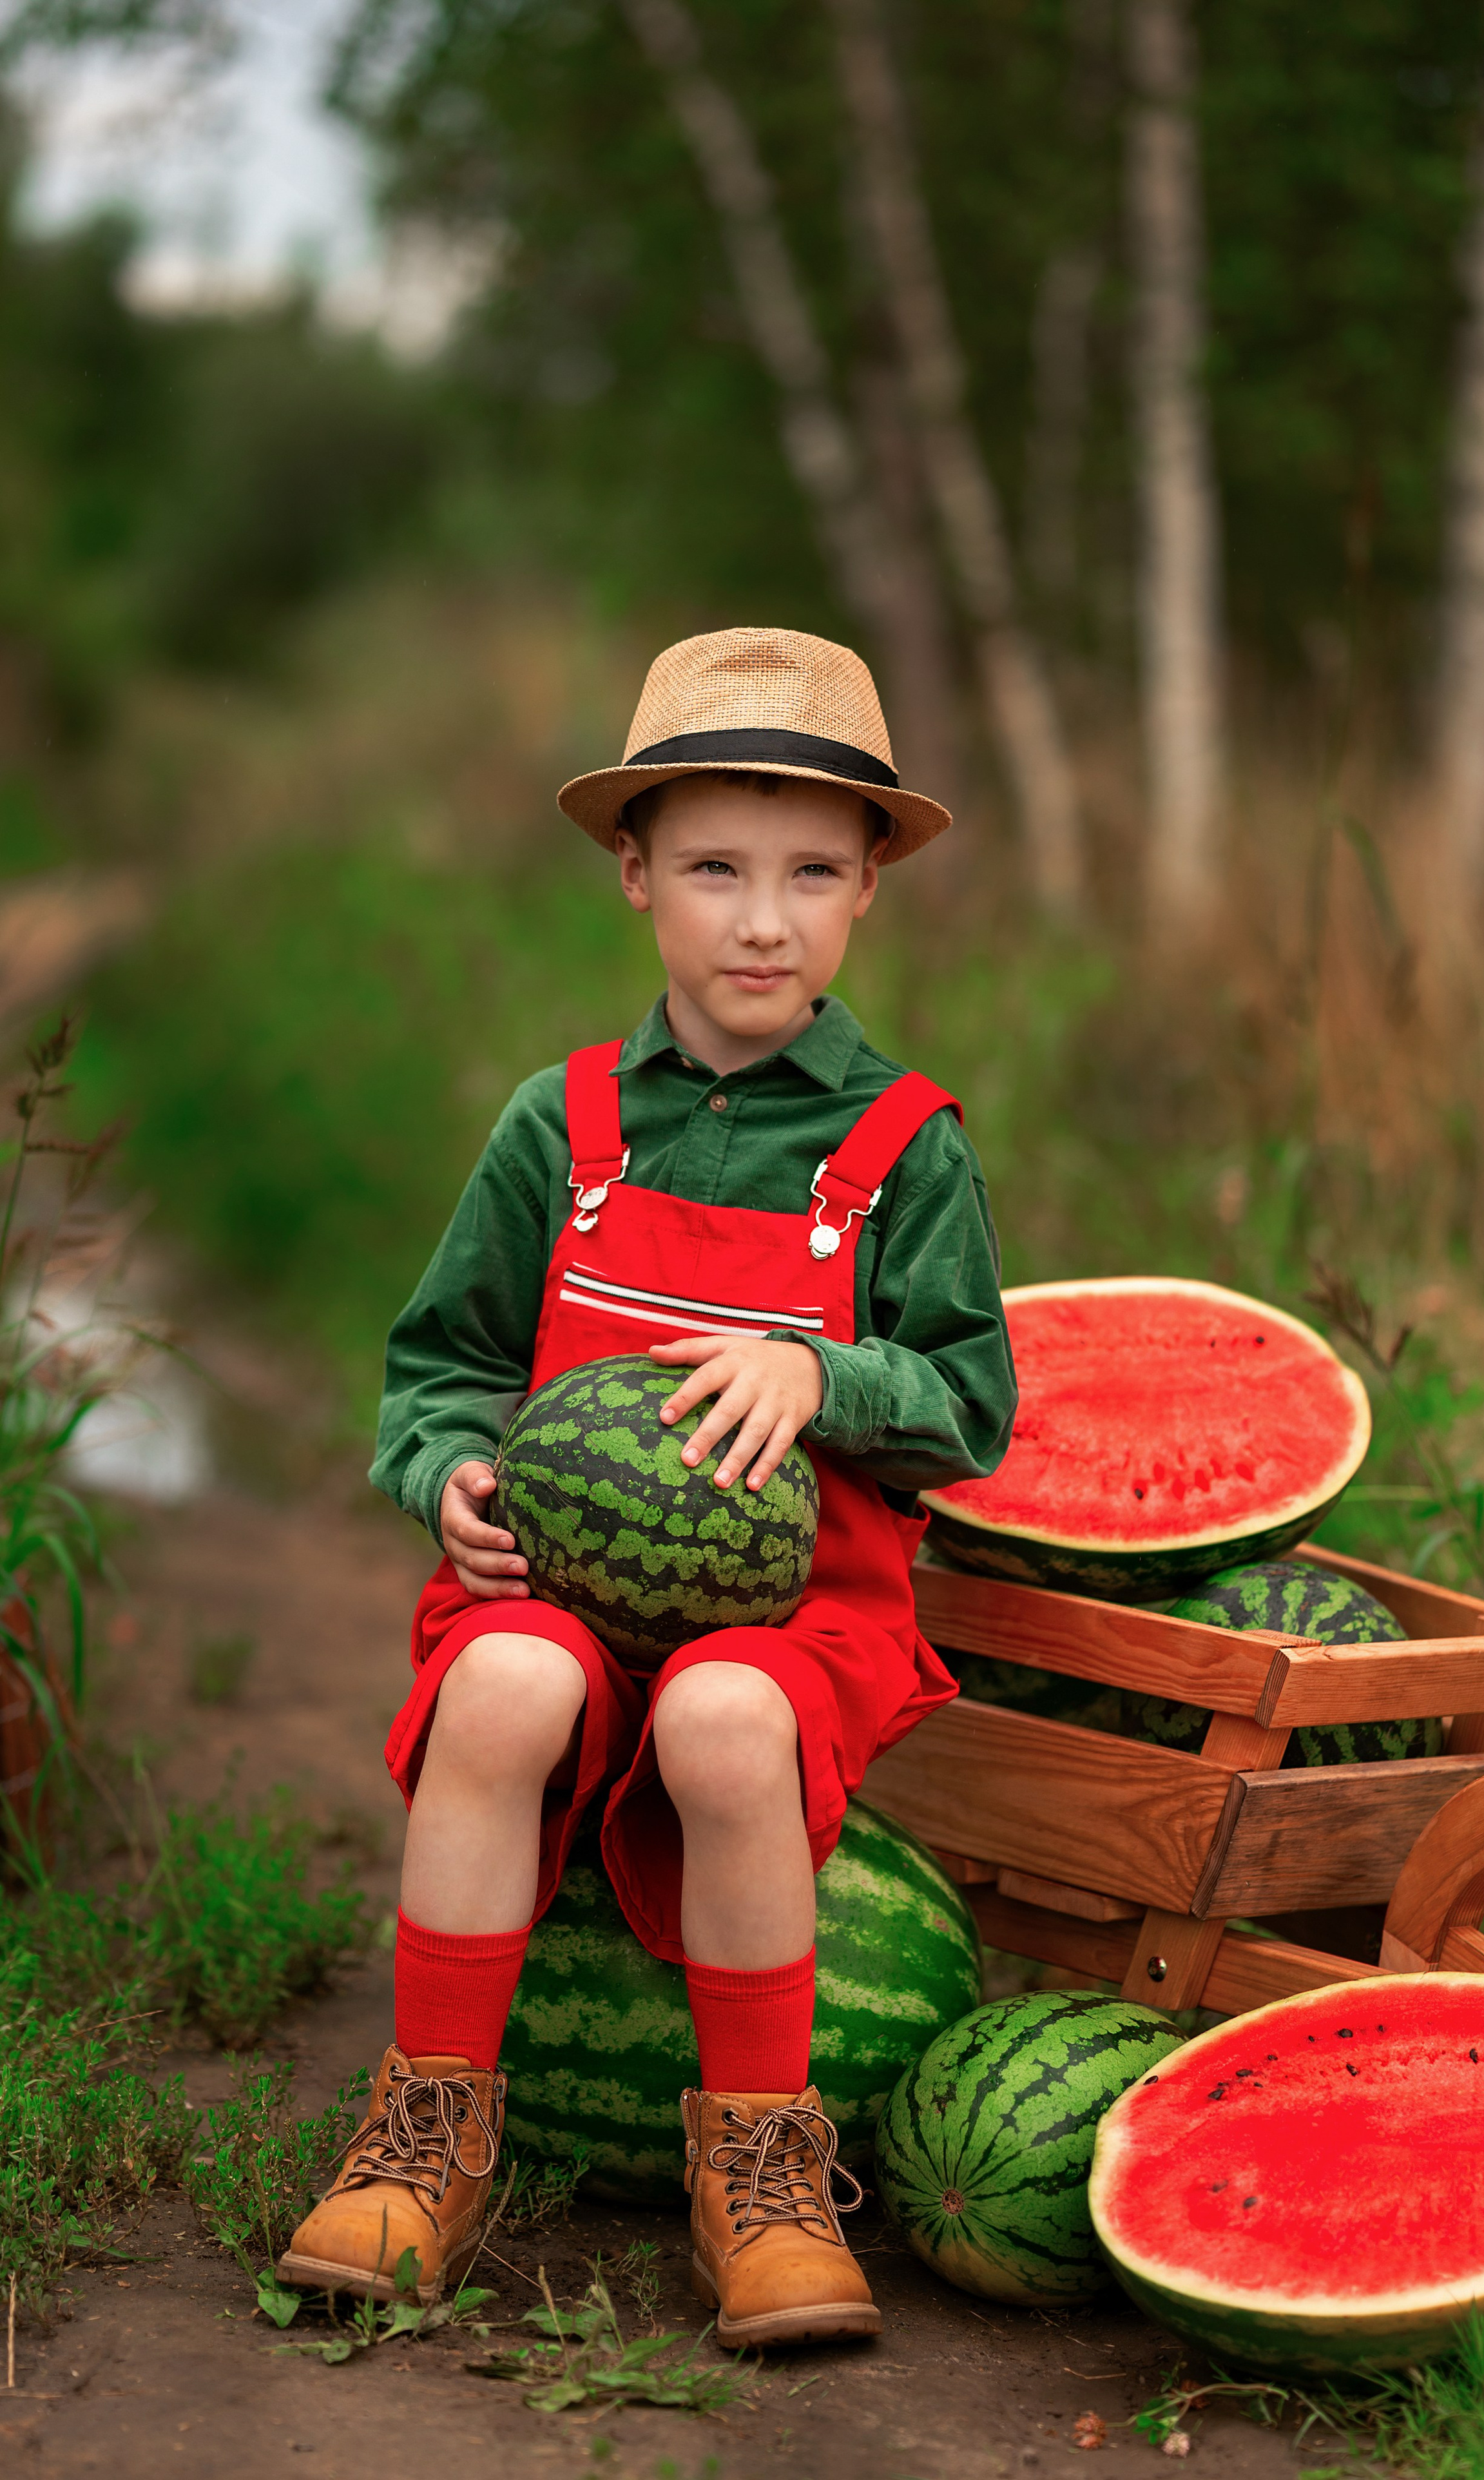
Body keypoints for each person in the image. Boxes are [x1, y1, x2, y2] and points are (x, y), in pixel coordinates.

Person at [280, 626, 1016, 2349]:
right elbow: (444, 1363)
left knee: (724, 1726)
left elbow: (971, 1404)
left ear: (868, 895)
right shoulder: (565, 1125)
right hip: (558, 1583)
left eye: (811, 874)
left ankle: (758, 2160)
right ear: (633, 876)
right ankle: (431, 2127)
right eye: (714, 869)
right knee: (509, 1677)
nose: (762, 920)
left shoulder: (904, 1146)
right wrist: (448, 1467)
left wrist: (822, 1374)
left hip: (794, 1612)